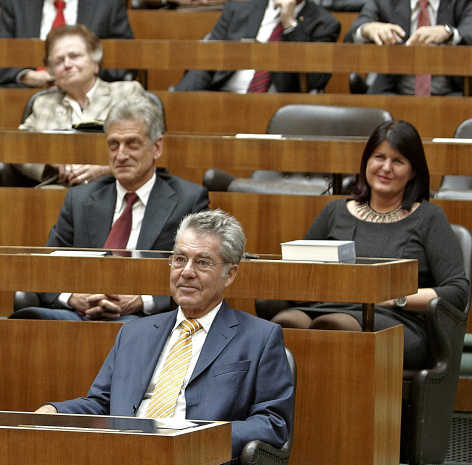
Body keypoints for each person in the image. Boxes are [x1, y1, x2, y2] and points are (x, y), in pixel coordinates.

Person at [0, 210, 295, 465]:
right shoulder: (135, 333)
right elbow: (100, 404)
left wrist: (206, 443)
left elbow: (273, 423)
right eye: (179, 259)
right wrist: (54, 411)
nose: (187, 272)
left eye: (203, 262)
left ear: (230, 273)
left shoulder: (260, 338)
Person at [271, 120, 469, 370]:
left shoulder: (430, 218)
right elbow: (299, 270)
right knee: (284, 324)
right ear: (366, 161)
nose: (386, 168)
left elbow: (458, 292)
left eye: (398, 161)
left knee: (334, 327)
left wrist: (393, 297)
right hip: (325, 308)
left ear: (413, 171)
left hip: (396, 321)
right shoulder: (334, 211)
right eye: (379, 157)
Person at [10, 93, 211, 322]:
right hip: (76, 313)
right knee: (27, 320)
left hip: (142, 318)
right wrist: (73, 297)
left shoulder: (189, 200)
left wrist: (139, 301)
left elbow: (201, 273)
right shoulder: (80, 198)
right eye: (113, 145)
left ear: (156, 148)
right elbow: (45, 266)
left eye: (132, 144)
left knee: (131, 333)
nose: (121, 155)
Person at [13, 24, 147, 186]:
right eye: (59, 61)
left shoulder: (127, 93)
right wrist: (49, 162)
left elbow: (148, 143)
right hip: (62, 190)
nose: (67, 64)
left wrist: (107, 168)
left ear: (95, 63)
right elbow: (16, 148)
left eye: (75, 56)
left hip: (116, 185)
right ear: (53, 72)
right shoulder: (43, 104)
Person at [174, 0, 340, 93]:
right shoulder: (239, 7)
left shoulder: (325, 24)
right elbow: (206, 59)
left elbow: (315, 81)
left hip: (277, 107)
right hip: (224, 98)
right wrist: (180, 98)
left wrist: (290, 24)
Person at [0, 0, 135, 88]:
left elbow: (126, 57)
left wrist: (80, 76)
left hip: (88, 91)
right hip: (29, 89)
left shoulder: (108, 3)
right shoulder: (17, 3)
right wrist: (27, 76)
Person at [344, 0, 472, 95]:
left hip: (451, 91)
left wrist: (448, 33)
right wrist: (368, 29)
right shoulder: (385, 2)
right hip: (393, 89)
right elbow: (352, 34)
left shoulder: (462, 2)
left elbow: (469, 31)